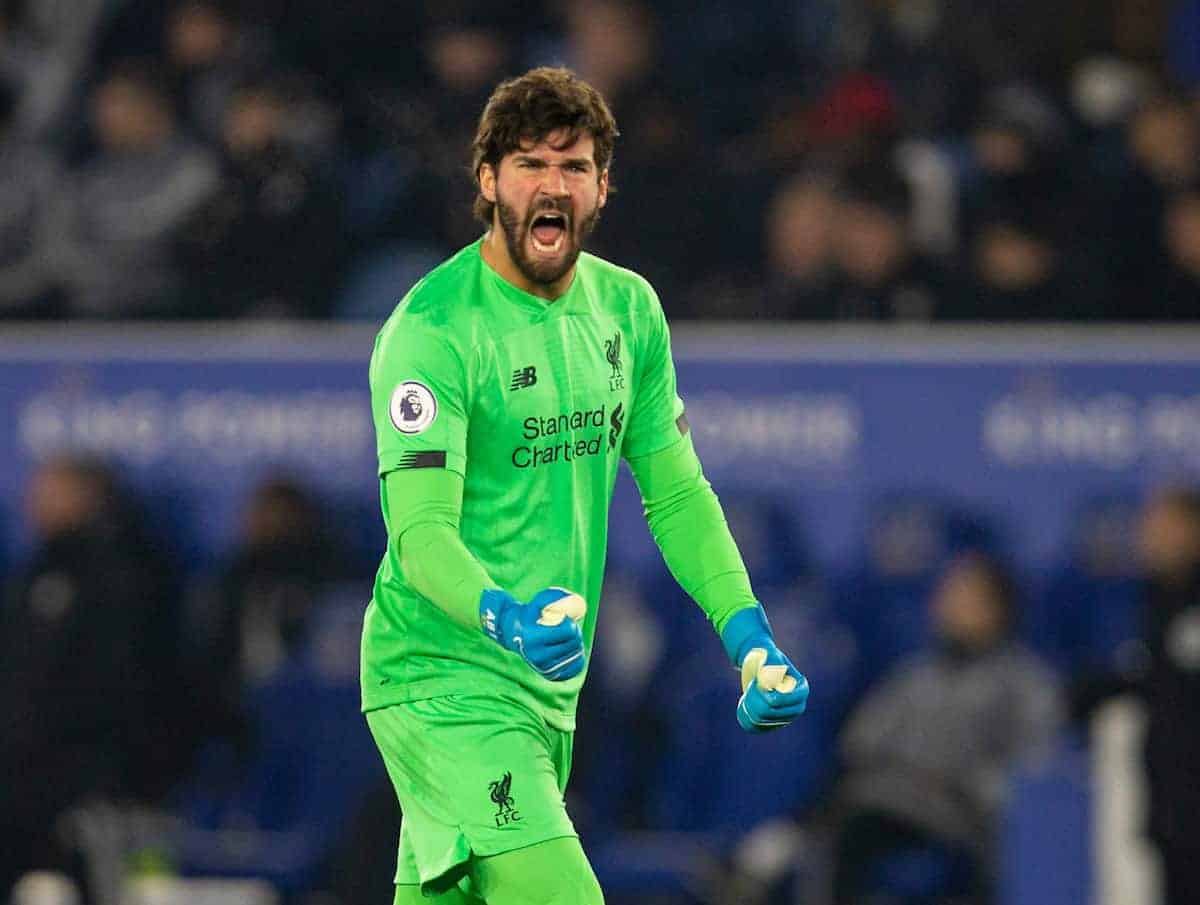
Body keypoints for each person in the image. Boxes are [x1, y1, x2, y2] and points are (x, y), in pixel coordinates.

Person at [361, 66, 810, 905]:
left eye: (575, 168)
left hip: (545, 694)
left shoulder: (629, 313)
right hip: (442, 676)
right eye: (530, 164)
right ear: (489, 181)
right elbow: (419, 535)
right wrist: (504, 616)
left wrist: (749, 639)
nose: (553, 185)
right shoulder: (432, 330)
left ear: (602, 189)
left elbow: (677, 495)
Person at [827, 553, 1062, 905]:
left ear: (997, 609)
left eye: (964, 597)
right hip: (885, 806)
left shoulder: (1027, 682)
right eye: (947, 595)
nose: (948, 606)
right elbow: (859, 744)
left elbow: (1035, 766)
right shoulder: (916, 674)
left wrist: (966, 786)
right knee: (841, 829)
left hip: (964, 822)